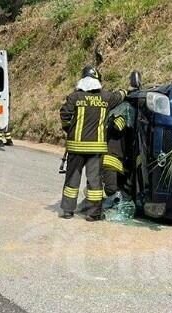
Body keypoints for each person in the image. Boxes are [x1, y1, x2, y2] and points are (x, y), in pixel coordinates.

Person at [59, 66, 126, 221]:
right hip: (96, 148)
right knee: (94, 181)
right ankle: (93, 213)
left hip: (76, 146)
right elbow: (120, 96)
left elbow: (64, 115)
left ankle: (68, 210)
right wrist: (127, 90)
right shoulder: (106, 97)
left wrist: (69, 129)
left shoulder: (74, 97)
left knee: (72, 179)